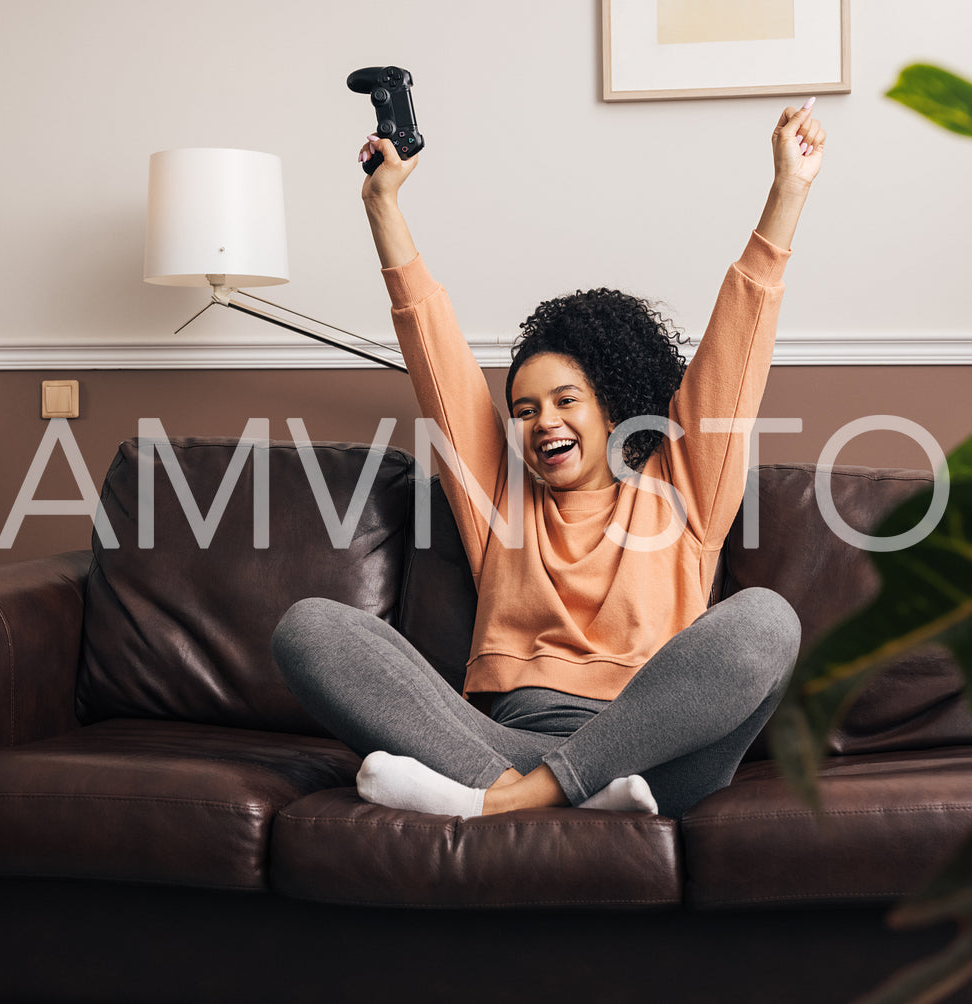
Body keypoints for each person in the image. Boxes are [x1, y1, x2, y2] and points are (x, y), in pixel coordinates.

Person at [271, 99, 825, 820]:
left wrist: (788, 189)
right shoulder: (497, 496)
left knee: (768, 621)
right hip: (498, 742)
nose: (541, 422)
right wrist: (382, 204)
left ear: (615, 408)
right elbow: (434, 352)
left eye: (565, 401)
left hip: (657, 757)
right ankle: (549, 793)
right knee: (308, 626)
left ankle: (506, 804)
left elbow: (739, 339)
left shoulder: (683, 484)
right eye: (524, 409)